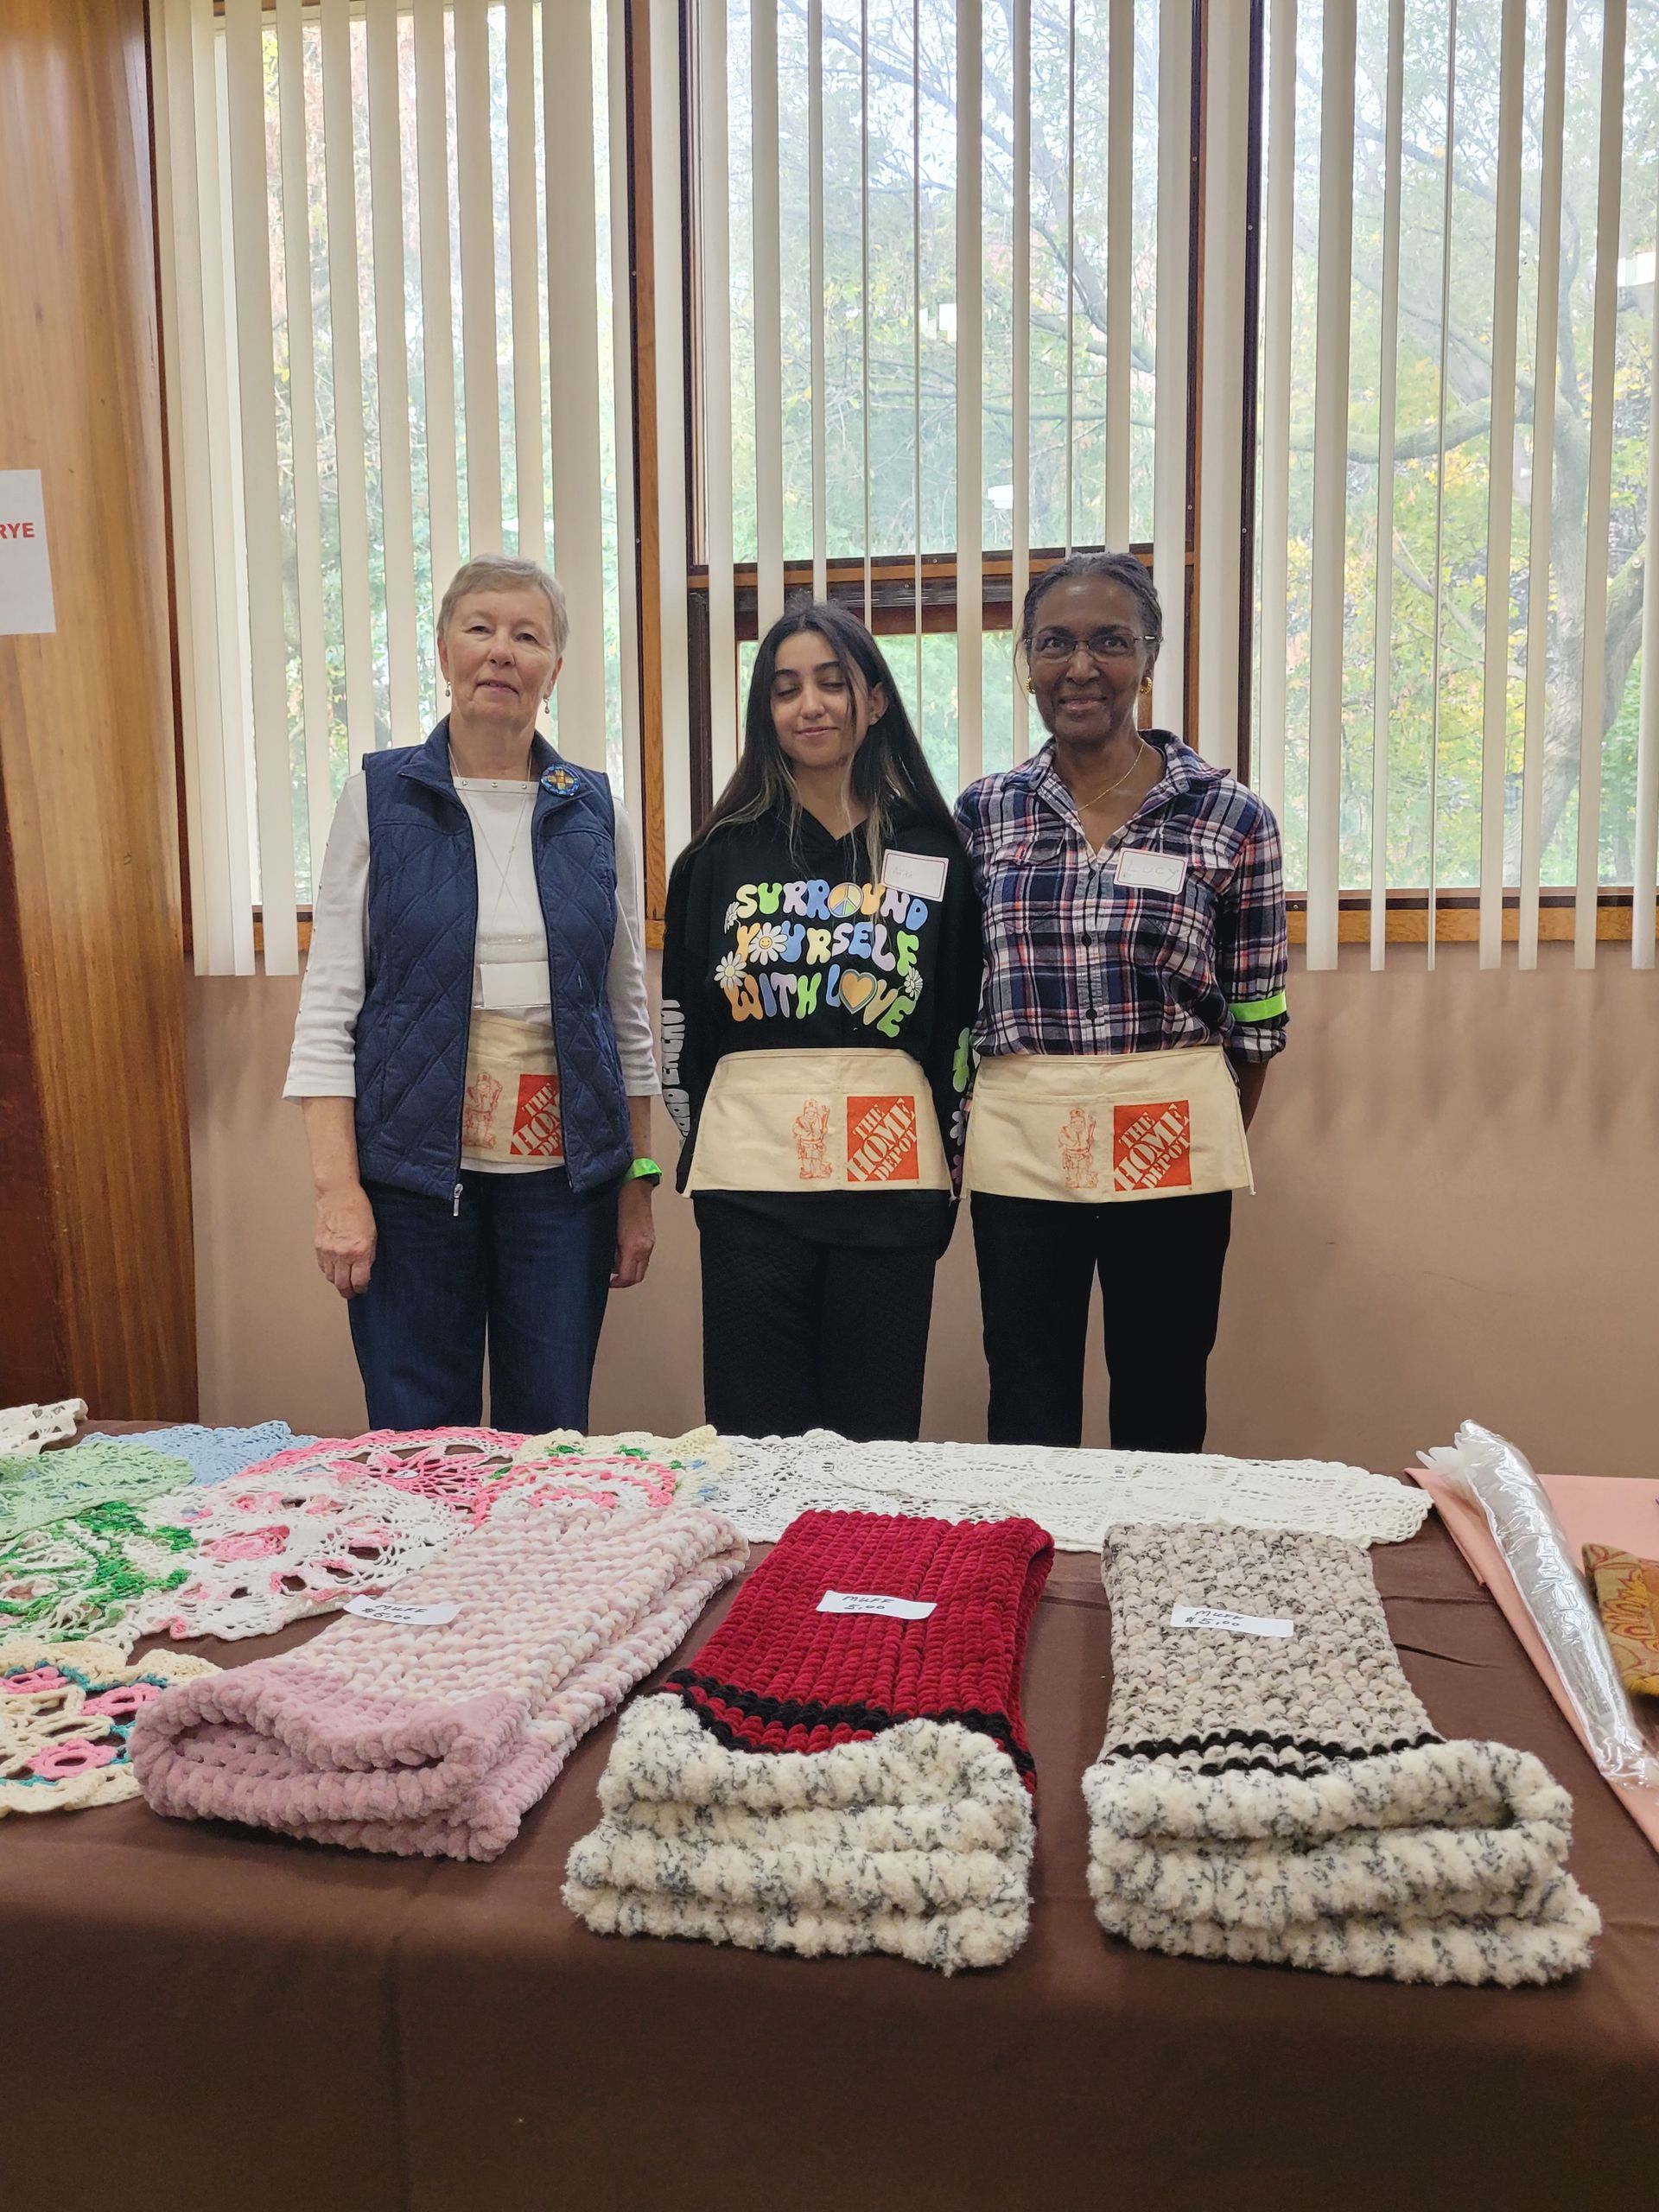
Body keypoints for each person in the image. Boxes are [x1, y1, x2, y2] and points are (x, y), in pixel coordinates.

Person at [283, 554, 661, 1433]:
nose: (501, 652)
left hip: (564, 1189)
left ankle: (532, 1578)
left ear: (554, 668)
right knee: (420, 1438)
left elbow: (628, 1017)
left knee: (548, 1431)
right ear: (445, 648)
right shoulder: (379, 797)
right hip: (413, 1178)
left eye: (527, 636)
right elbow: (330, 1004)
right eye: (480, 628)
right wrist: (338, 1190)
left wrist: (637, 1181)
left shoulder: (597, 811)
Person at [954, 551, 1288, 1452]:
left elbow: (1257, 1019)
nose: (1081, 667)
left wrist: (1201, 1125)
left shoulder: (1230, 817)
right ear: (1026, 661)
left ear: (1149, 656)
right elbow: (952, 993)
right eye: (1055, 643)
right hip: (1023, 1138)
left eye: (1111, 642)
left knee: (1162, 1386)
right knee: (1027, 1393)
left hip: (1167, 1132)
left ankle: (1152, 1584)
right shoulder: (984, 814)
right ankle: (1031, 1582)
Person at [661, 602, 983, 1442]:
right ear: (764, 712)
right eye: (785, 688)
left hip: (888, 1190)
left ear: (874, 700)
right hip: (749, 1198)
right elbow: (681, 1031)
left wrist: (941, 1177)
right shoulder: (717, 857)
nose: (810, 705)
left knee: (873, 1445)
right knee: (755, 1445)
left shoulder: (935, 853)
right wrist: (712, 1151)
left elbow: (958, 1028)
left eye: (832, 683)